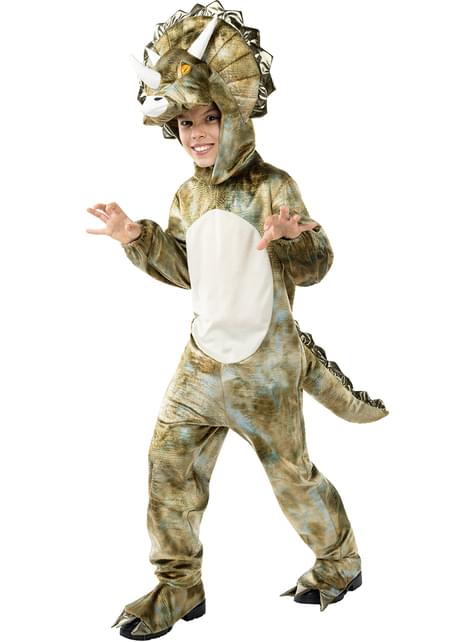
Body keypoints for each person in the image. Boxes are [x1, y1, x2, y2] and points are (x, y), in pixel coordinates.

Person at [87, 5, 387, 640]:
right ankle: (179, 585)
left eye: (210, 117)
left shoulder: (274, 185)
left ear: (234, 116)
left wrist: (290, 238)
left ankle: (340, 562)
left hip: (265, 370)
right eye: (186, 123)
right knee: (167, 468)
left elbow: (316, 266)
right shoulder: (187, 194)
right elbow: (187, 269)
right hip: (201, 365)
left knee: (291, 477)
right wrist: (135, 236)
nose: (198, 134)